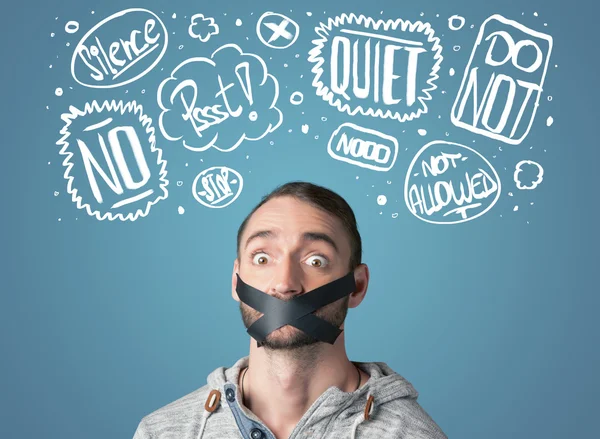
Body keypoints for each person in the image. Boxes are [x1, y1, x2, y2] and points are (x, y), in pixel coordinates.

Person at [133, 181, 447, 439]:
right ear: (235, 281)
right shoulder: (161, 432)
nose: (284, 285)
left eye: (315, 261)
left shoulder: (411, 434)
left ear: (357, 286)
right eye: (261, 258)